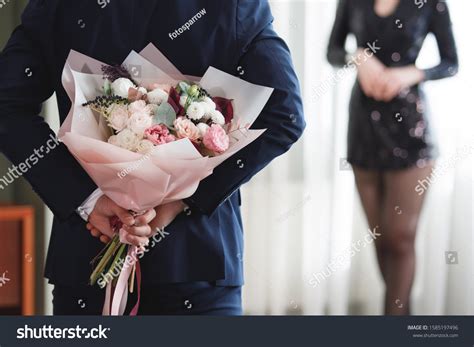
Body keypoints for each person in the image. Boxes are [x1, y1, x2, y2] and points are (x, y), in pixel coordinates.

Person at [0, 0, 305, 315]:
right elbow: (286, 115)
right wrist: (180, 200)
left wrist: (87, 199)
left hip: (90, 261)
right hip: (198, 262)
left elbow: (6, 106)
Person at [327, 0, 458, 315]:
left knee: (400, 238)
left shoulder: (432, 3)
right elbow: (332, 51)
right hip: (362, 127)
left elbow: (451, 62)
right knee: (382, 240)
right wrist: (356, 57)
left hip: (411, 131)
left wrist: (411, 74)